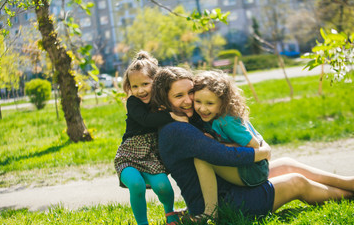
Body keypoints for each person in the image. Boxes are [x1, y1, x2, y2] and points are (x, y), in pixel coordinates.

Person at [150, 66, 354, 221]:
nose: (188, 100)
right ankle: (348, 196)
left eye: (190, 92)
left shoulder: (188, 119)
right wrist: (262, 152)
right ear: (163, 101)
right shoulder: (177, 130)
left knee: (287, 164)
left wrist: (259, 146)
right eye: (178, 96)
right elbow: (221, 155)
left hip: (230, 186)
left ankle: (349, 183)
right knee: (296, 182)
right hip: (224, 203)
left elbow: (235, 133)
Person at [114, 52, 182, 225]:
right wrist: (171, 116)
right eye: (135, 86)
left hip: (151, 155)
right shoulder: (133, 102)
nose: (140, 90)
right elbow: (146, 120)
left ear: (156, 81)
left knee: (163, 187)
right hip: (129, 154)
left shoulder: (162, 101)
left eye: (145, 84)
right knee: (136, 185)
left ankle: (170, 214)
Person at [192, 70, 269, 216]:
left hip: (253, 171)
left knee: (202, 159)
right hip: (241, 165)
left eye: (210, 103)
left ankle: (210, 213)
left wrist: (219, 146)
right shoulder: (210, 116)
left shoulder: (227, 121)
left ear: (223, 103)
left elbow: (254, 146)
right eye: (198, 102)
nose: (202, 108)